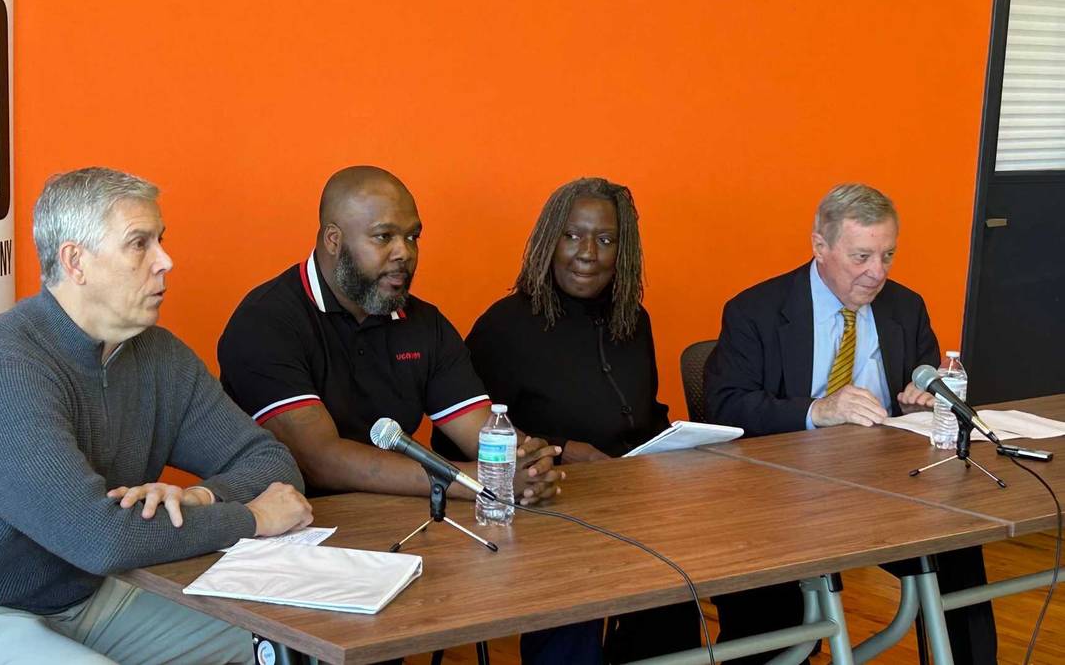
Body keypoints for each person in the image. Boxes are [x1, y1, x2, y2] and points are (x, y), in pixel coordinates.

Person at [0, 168, 312, 665]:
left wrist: (200, 496)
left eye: (161, 240)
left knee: (293, 645)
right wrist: (250, 518)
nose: (165, 261)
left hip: (79, 600)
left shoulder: (158, 355)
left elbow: (270, 462)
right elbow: (101, 538)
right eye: (140, 244)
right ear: (76, 261)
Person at [704, 183, 996, 664]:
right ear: (820, 246)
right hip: (785, 496)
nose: (876, 273)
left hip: (890, 490)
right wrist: (817, 410)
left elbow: (925, 389)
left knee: (960, 547)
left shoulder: (905, 306)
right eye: (861, 256)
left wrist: (925, 403)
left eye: (888, 255)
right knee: (761, 586)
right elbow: (725, 404)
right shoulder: (755, 310)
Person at [217, 165, 562, 503]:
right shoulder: (265, 322)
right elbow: (319, 460)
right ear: (333, 239)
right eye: (384, 236)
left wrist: (528, 465)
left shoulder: (425, 323)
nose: (404, 253)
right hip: (282, 528)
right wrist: (478, 483)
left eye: (413, 236)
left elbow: (482, 433)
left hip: (395, 518)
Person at [462, 177, 700, 664]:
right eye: (572, 235)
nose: (587, 252)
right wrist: (562, 448)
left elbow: (645, 414)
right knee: (579, 591)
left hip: (631, 498)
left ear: (623, 251)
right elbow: (475, 436)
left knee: (679, 576)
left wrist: (679, 443)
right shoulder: (504, 326)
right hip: (545, 508)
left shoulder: (634, 319)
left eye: (605, 239)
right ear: (549, 240)